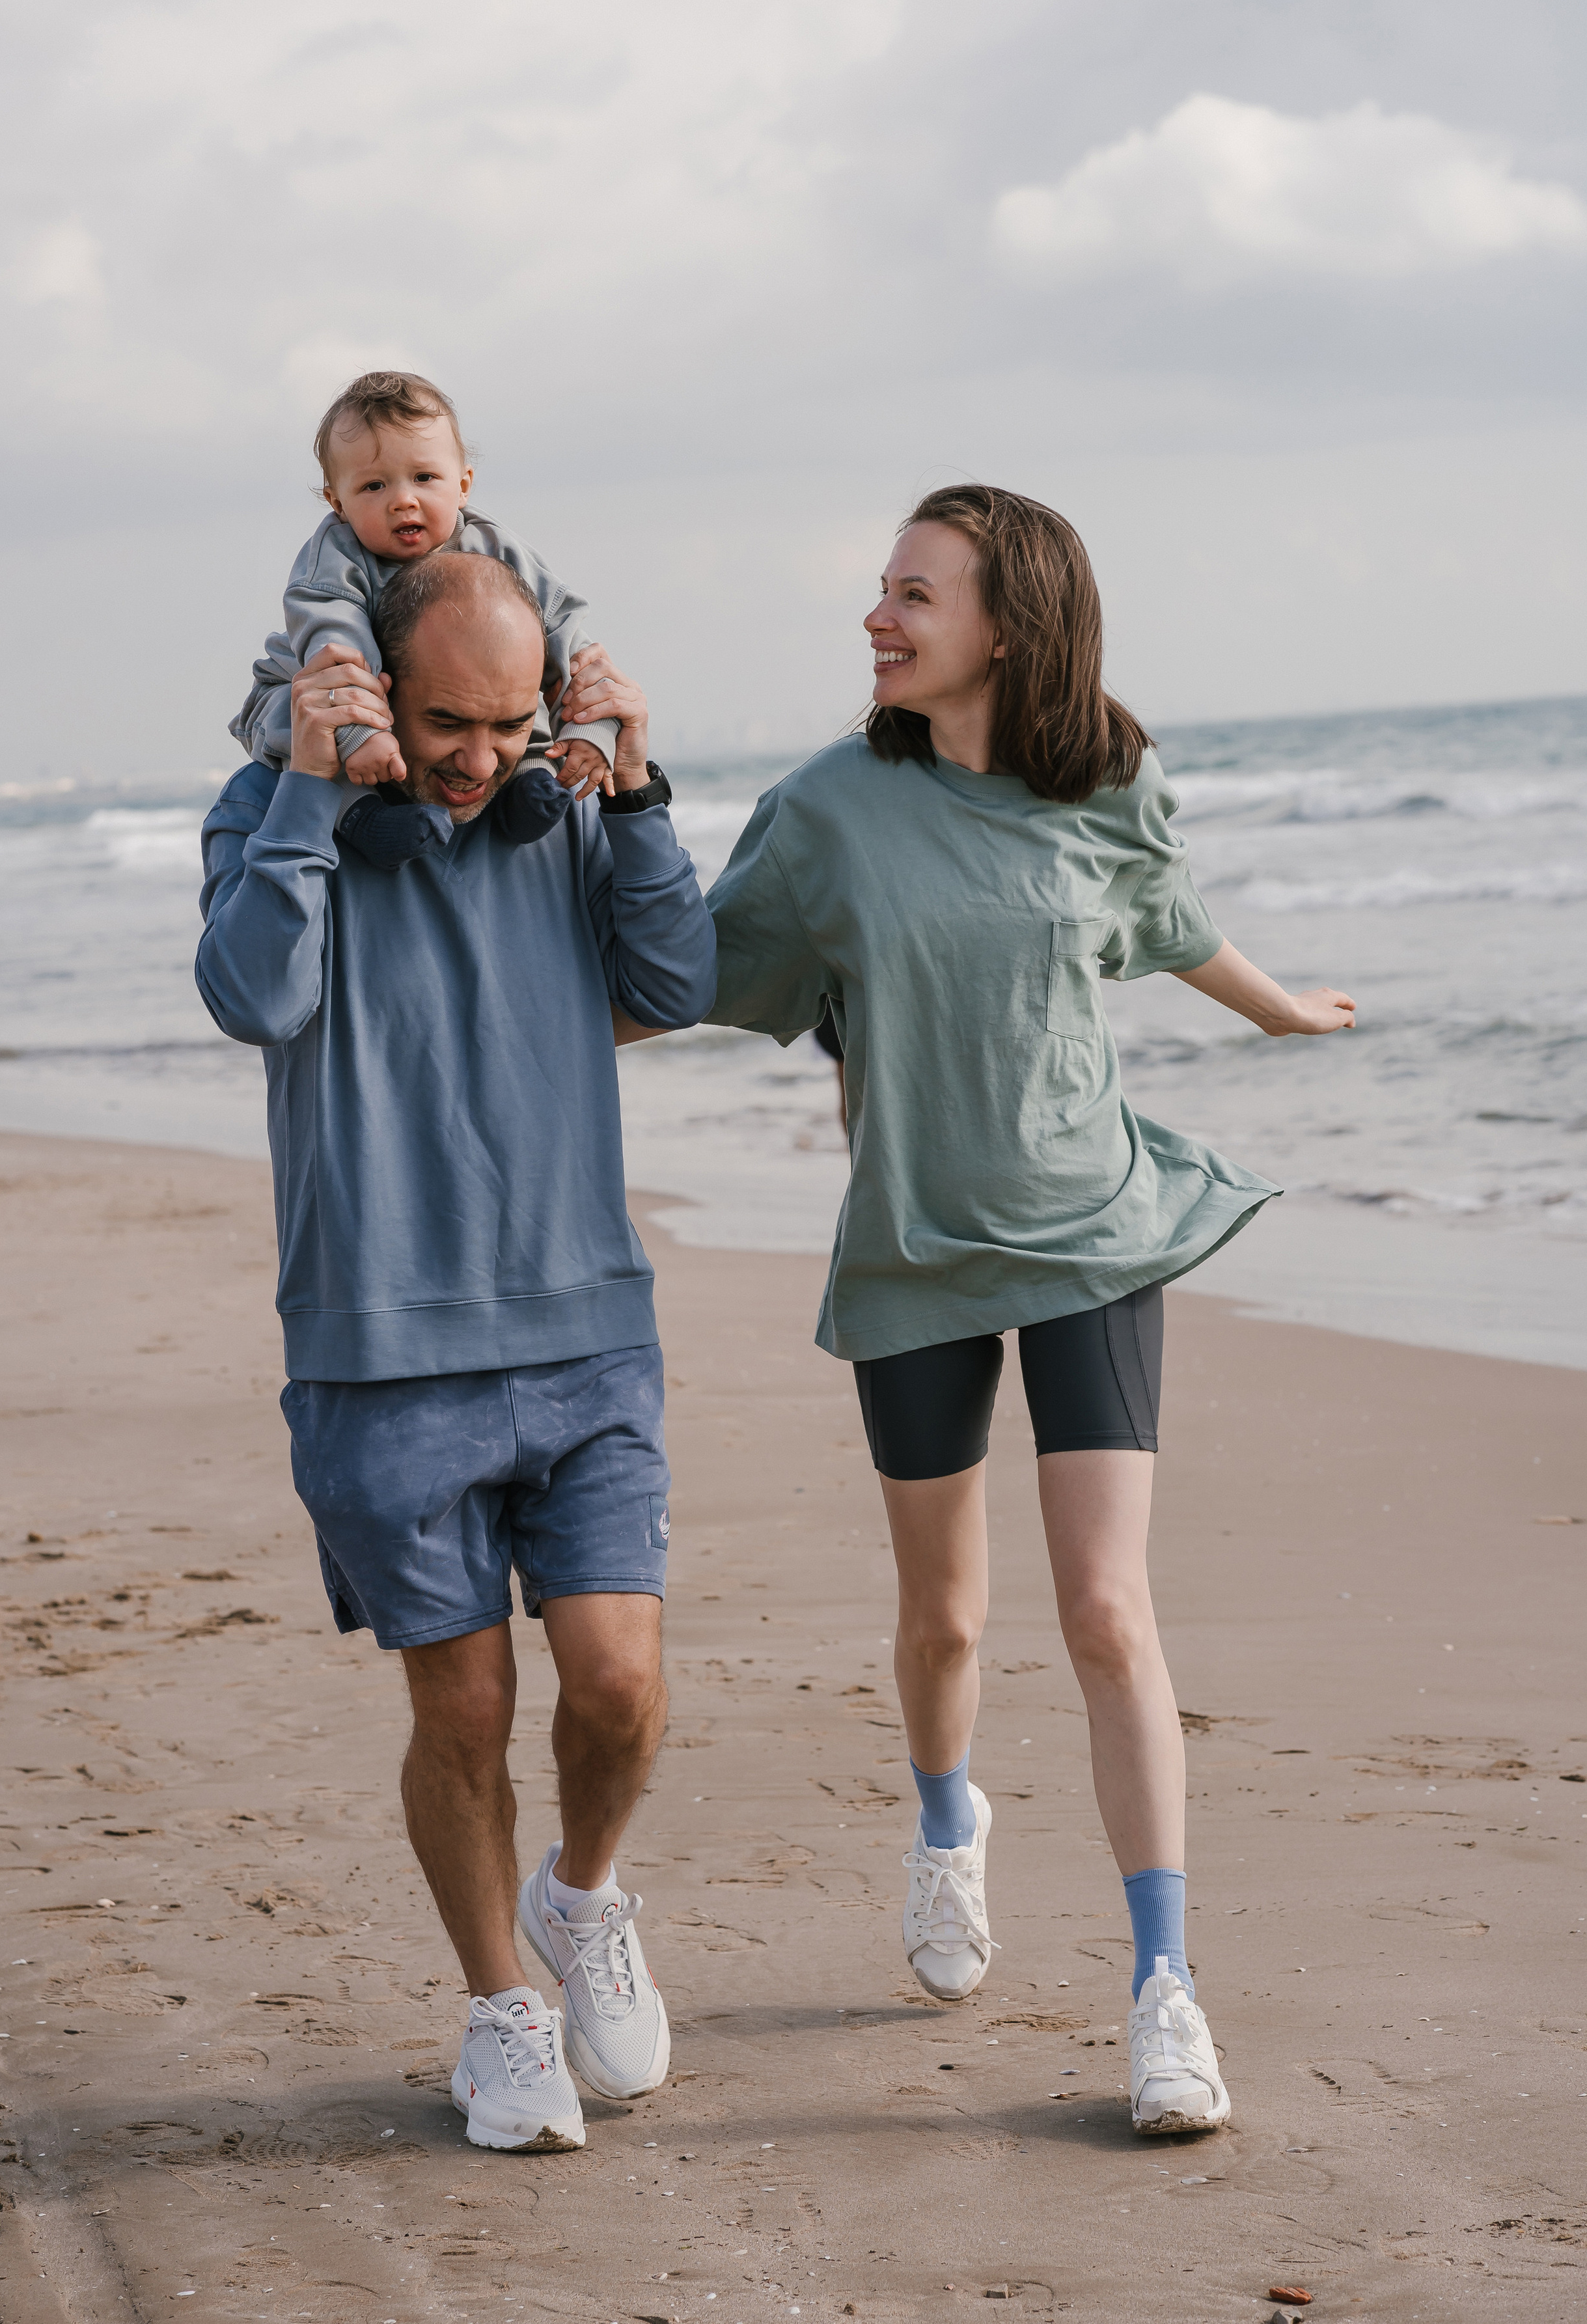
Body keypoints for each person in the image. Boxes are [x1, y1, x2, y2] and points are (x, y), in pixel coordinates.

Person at [705, 484, 1354, 2136]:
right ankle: (944, 1826)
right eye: (880, 588)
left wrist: (1273, 1006)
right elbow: (694, 975)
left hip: (1089, 1228)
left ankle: (1162, 1996)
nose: (878, 615)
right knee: (942, 1618)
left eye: (913, 594)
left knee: (1105, 1610)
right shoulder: (829, 811)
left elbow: (1167, 920)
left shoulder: (1104, 780)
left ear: (1005, 623)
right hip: (915, 1249)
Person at [196, 547, 717, 2153]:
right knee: (465, 1708)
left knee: (619, 1686)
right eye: (447, 724)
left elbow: (676, 979)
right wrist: (301, 788)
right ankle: (501, 2007)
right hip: (378, 1351)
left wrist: (633, 795)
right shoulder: (274, 805)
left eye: (510, 720)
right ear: (368, 683)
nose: (480, 756)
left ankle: (580, 1894)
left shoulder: (564, 809)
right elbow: (253, 993)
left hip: (586, 1332)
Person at [228, 369, 621, 872]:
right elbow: (337, 642)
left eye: (424, 478)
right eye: (373, 486)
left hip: (450, 698)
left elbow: (568, 636)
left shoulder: (497, 549)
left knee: (505, 687)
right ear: (337, 503)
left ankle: (528, 778)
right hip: (332, 686)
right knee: (291, 713)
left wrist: (595, 731)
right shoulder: (335, 559)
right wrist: (358, 734)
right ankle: (360, 816)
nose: (402, 500)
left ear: (463, 485)